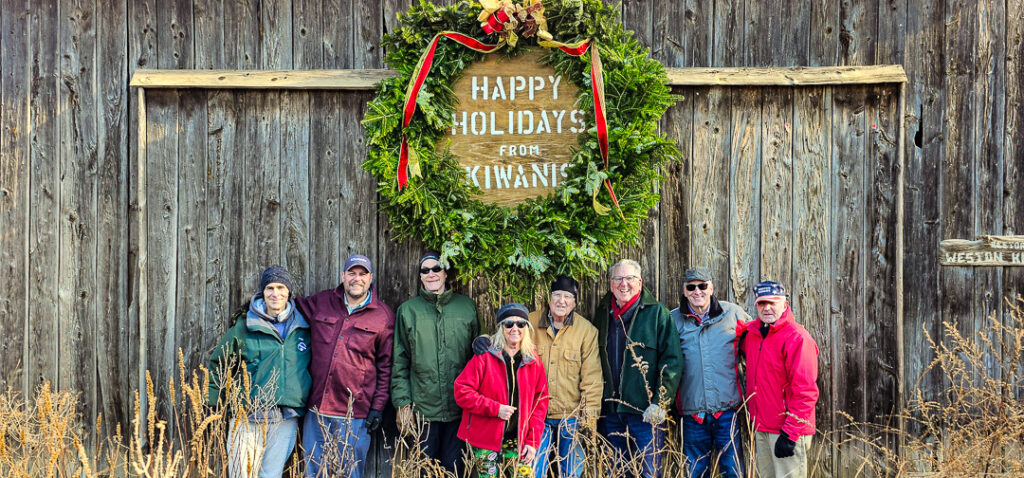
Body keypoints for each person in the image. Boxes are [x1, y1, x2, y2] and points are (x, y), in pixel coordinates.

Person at [294, 254, 395, 478]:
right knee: (314, 473)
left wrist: (378, 407)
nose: (356, 279)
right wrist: (255, 311)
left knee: (349, 474)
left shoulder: (384, 317)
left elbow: (386, 367)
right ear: (343, 276)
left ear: (370, 278)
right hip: (317, 410)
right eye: (351, 273)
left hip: (355, 415)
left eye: (362, 274)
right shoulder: (322, 302)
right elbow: (287, 307)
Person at [207, 266, 311, 478]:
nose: (276, 293)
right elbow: (220, 363)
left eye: (281, 287)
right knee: (241, 474)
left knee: (271, 475)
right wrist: (212, 402)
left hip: (285, 417)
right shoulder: (245, 325)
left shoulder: (303, 327)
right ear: (262, 292)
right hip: (248, 416)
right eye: (270, 288)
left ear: (289, 292)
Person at [391, 251, 480, 474]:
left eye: (436, 268)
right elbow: (399, 362)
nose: (431, 274)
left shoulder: (466, 307)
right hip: (423, 411)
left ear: (445, 272)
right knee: (424, 470)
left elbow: (479, 359)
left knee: (455, 470)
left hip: (459, 409)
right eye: (425, 270)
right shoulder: (408, 311)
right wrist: (403, 404)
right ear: (420, 276)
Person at [593, 259, 683, 478]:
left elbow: (671, 361)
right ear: (611, 283)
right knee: (615, 471)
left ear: (640, 282)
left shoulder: (657, 314)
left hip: (645, 414)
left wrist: (659, 403)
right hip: (611, 412)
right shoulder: (603, 313)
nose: (624, 284)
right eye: (618, 279)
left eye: (630, 278)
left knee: (649, 472)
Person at [454, 303, 549, 478]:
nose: (515, 328)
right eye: (509, 324)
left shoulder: (533, 360)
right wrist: (495, 409)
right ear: (500, 328)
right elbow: (462, 391)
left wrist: (532, 441)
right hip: (486, 440)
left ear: (526, 328)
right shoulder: (485, 355)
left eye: (521, 324)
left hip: (519, 440)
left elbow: (540, 402)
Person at [671, 268, 749, 478]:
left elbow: (757, 344)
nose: (698, 291)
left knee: (733, 472)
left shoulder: (732, 314)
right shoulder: (673, 320)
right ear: (685, 291)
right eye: (691, 287)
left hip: (727, 412)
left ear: (711, 288)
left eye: (703, 286)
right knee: (694, 472)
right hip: (692, 415)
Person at [738, 281, 819, 478]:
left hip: (786, 430)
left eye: (773, 302)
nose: (767, 308)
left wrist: (790, 433)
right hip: (761, 426)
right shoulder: (753, 335)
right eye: (762, 303)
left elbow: (806, 392)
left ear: (784, 304)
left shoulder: (797, 338)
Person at [528, 275, 601, 478]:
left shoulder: (587, 331)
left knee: (571, 473)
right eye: (557, 295)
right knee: (534, 471)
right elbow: (506, 337)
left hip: (572, 416)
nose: (562, 301)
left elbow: (592, 378)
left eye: (567, 296)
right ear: (549, 300)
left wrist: (589, 419)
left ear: (575, 302)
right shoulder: (530, 322)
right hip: (537, 415)